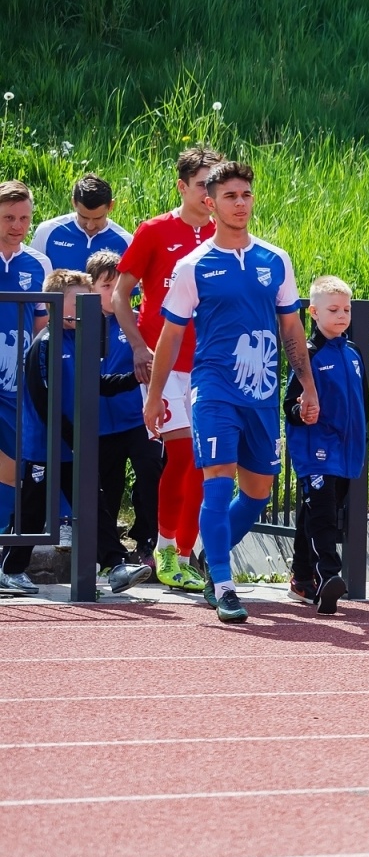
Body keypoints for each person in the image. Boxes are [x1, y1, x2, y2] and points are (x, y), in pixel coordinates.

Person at [142, 160, 317, 624]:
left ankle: (205, 556)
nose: (240, 204)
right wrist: (155, 394)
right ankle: (223, 585)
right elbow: (171, 335)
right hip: (214, 388)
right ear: (210, 203)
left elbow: (293, 330)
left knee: (258, 491)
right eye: (230, 197)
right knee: (216, 480)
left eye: (246, 195)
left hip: (260, 393)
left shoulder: (275, 259)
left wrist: (308, 387)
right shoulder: (191, 266)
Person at [116, 146, 223, 594]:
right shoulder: (154, 230)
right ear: (182, 186)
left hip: (211, 366)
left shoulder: (227, 233)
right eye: (203, 185)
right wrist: (139, 347)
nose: (211, 193)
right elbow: (121, 295)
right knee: (181, 455)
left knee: (206, 463)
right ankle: (163, 549)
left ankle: (184, 553)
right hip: (166, 364)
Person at [0, 269, 146, 594]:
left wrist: (133, 378)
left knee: (94, 503)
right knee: (33, 511)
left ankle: (116, 563)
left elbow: (95, 384)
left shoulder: (80, 340)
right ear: (54, 304)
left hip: (71, 444)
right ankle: (10, 569)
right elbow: (44, 398)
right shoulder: (45, 343)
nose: (86, 307)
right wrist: (72, 437)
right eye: (79, 300)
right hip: (44, 446)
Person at [284, 275, 365, 615]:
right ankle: (329, 576)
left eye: (346, 308)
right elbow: (289, 405)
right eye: (333, 309)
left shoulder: (353, 352)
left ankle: (301, 578)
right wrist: (302, 412)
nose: (342, 315)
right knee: (323, 516)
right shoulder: (309, 355)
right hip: (317, 449)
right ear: (314, 313)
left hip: (347, 450)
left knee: (315, 512)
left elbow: (361, 400)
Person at [87, 250, 162, 581]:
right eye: (106, 286)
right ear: (91, 287)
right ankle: (109, 558)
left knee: (152, 473)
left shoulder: (134, 322)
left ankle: (148, 543)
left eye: (121, 286)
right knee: (107, 489)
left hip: (136, 417)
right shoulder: (82, 324)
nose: (115, 293)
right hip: (99, 425)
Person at [0, 180, 51, 563]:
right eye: (8, 218)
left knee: (18, 468)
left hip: (18, 386)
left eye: (24, 218)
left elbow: (41, 328)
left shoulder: (37, 263)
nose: (17, 225)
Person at [30, 174, 131, 272]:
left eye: (98, 218)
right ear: (73, 202)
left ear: (111, 206)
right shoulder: (47, 231)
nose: (90, 226)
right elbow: (32, 277)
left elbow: (132, 289)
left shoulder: (127, 242)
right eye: (84, 217)